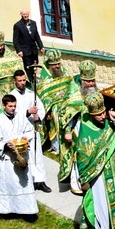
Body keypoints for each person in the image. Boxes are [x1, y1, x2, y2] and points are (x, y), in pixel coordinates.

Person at [72, 93, 115, 229]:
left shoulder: (109, 124)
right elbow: (82, 156)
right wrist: (84, 179)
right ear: (91, 114)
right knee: (102, 208)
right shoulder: (85, 129)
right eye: (98, 114)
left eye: (103, 112)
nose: (102, 116)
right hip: (98, 176)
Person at [36, 49, 84, 193]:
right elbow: (44, 95)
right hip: (55, 107)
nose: (57, 67)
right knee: (57, 117)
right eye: (54, 65)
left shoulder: (64, 72)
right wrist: (48, 110)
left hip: (68, 102)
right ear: (50, 64)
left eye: (58, 64)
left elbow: (71, 86)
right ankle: (56, 145)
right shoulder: (45, 77)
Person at [0, 94, 40, 220]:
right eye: (10, 106)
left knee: (24, 184)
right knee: (9, 184)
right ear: (4, 106)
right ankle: (8, 211)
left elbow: (29, 130)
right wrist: (5, 146)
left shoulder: (20, 117)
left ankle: (28, 211)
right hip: (7, 159)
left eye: (15, 106)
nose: (13, 108)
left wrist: (26, 138)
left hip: (22, 155)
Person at [6, 70, 50, 192]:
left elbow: (40, 107)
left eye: (24, 80)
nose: (22, 83)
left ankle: (40, 181)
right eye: (19, 81)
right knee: (27, 156)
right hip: (21, 132)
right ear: (14, 81)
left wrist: (38, 116)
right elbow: (12, 113)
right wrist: (28, 112)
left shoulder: (31, 93)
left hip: (33, 129)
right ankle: (29, 181)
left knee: (38, 156)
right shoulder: (12, 96)